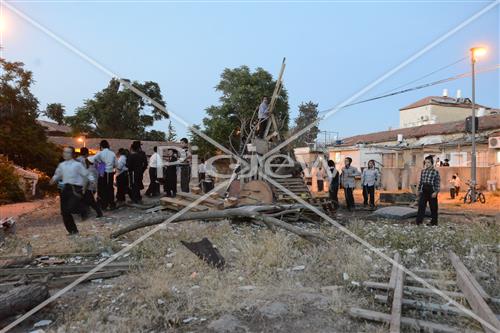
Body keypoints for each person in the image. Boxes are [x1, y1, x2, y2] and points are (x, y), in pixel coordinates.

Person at [50, 146, 95, 235]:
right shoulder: (61, 164)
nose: (65, 154)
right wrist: (52, 181)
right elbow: (57, 175)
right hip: (62, 188)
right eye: (64, 152)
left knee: (71, 207)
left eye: (68, 152)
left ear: (73, 154)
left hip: (74, 188)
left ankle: (84, 209)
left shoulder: (77, 164)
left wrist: (90, 182)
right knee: (64, 212)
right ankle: (73, 231)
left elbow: (86, 174)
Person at [416, 155, 440, 226]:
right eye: (425, 162)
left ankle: (434, 222)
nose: (427, 164)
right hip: (424, 190)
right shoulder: (423, 171)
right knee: (421, 206)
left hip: (432, 190)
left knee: (433, 207)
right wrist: (418, 190)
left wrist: (436, 192)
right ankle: (419, 222)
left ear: (432, 163)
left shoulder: (435, 172)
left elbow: (437, 183)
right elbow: (421, 182)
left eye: (428, 162)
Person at [92, 140, 117, 210]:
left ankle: (103, 204)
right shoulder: (112, 153)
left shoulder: (99, 153)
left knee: (101, 188)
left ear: (101, 146)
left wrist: (99, 166)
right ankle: (111, 203)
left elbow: (94, 162)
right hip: (110, 172)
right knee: (109, 188)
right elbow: (116, 164)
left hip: (102, 171)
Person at [78, 147, 103, 218]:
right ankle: (86, 214)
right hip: (89, 185)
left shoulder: (80, 161)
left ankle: (86, 214)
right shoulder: (92, 165)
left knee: (87, 200)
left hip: (85, 185)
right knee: (86, 200)